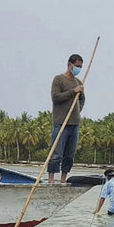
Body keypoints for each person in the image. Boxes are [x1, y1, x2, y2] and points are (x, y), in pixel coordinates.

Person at [48, 54, 85, 184]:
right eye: (77, 66)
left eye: (80, 67)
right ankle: (51, 179)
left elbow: (82, 99)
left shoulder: (79, 83)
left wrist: (77, 109)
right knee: (56, 153)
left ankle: (63, 180)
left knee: (69, 155)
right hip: (61, 122)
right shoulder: (58, 80)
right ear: (70, 65)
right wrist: (72, 92)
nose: (78, 69)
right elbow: (56, 97)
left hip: (74, 123)